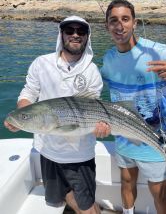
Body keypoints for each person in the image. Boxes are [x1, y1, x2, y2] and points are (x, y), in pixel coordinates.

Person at [4, 15, 110, 214]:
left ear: (88, 36)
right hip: (47, 151)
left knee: (87, 207)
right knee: (59, 199)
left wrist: (101, 128)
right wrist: (21, 116)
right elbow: (28, 93)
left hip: (80, 155)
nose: (75, 35)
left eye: (81, 31)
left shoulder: (92, 71)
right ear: (61, 34)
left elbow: (92, 107)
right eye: (69, 30)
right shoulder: (41, 63)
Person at [101, 0, 166, 214]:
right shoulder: (108, 59)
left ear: (134, 23)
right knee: (126, 181)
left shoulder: (158, 52)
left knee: (159, 192)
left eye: (125, 19)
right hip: (123, 135)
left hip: (156, 140)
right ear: (107, 25)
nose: (119, 25)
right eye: (113, 20)